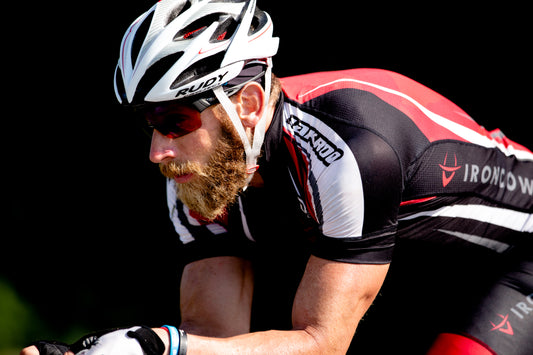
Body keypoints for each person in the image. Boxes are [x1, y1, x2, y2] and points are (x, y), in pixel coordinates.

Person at [22, 0, 532, 354]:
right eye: (149, 125)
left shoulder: (351, 149)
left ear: (247, 104)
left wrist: (161, 345)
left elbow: (319, 343)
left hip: (518, 260)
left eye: (176, 121)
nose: (158, 151)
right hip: (415, 270)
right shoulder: (200, 165)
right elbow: (214, 342)